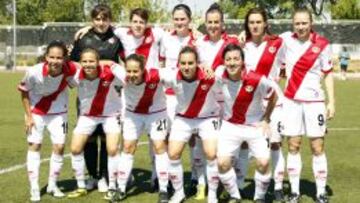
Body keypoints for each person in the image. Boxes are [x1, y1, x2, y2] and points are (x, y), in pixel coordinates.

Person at [279, 8, 335, 203]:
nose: (301, 27)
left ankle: (320, 192)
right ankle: (294, 192)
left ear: (311, 23)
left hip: (315, 103)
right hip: (291, 101)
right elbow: (264, 40)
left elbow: (328, 73)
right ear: (292, 24)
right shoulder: (285, 40)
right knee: (293, 145)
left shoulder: (322, 44)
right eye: (297, 23)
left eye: (304, 23)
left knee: (317, 146)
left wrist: (332, 101)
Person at [215, 43, 282, 203]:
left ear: (242, 61)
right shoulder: (219, 74)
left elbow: (274, 95)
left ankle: (259, 197)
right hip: (230, 126)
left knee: (264, 163)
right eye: (228, 59)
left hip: (255, 125)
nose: (232, 63)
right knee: (222, 163)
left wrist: (266, 119)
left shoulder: (257, 79)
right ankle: (234, 195)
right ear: (223, 62)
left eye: (236, 59)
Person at [70, 4, 125, 193]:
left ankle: (105, 177)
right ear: (92, 20)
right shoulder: (83, 37)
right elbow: (72, 62)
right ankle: (93, 176)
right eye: (97, 19)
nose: (101, 22)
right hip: (87, 96)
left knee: (106, 137)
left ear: (110, 19)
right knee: (90, 139)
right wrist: (101, 63)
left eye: (104, 18)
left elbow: (125, 59)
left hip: (110, 94)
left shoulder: (117, 37)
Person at [18, 40, 77, 202]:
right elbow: (23, 92)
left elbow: (76, 81)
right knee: (35, 146)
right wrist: (29, 117)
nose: (55, 61)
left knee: (59, 147)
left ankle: (52, 185)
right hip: (36, 113)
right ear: (46, 57)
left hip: (59, 113)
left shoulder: (70, 69)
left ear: (64, 59)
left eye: (59, 58)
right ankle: (35, 188)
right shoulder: (34, 72)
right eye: (52, 57)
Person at [164, 46, 220, 203]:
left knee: (211, 153)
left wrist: (209, 67)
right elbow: (148, 72)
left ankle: (213, 194)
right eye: (183, 63)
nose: (186, 67)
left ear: (197, 63)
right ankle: (179, 192)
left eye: (190, 63)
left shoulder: (209, 75)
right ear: (178, 64)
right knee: (173, 153)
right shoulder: (171, 76)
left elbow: (227, 72)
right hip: (183, 118)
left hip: (208, 117)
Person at [241, 7, 286, 201]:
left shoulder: (278, 43)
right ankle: (240, 184)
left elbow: (285, 68)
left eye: (258, 22)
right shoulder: (242, 45)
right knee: (243, 144)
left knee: (275, 144)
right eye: (251, 22)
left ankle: (277, 187)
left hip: (273, 103)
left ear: (265, 23)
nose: (255, 26)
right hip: (248, 104)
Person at [159, 3, 203, 195]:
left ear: (189, 20)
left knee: (194, 138)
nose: (179, 22)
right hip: (169, 96)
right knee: (168, 138)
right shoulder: (165, 38)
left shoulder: (198, 41)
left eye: (182, 19)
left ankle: (195, 177)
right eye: (176, 19)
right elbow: (161, 63)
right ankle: (170, 179)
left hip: (190, 96)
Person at [67, 49, 122, 200]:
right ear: (81, 63)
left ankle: (112, 186)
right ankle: (81, 186)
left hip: (110, 116)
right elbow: (68, 81)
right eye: (84, 61)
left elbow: (129, 79)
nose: (88, 64)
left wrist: (114, 65)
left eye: (91, 61)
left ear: (98, 62)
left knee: (112, 149)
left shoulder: (110, 73)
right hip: (88, 117)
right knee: (75, 148)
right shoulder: (78, 76)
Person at [114, 54, 169, 203]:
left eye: (135, 71)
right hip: (133, 115)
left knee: (159, 147)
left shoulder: (157, 74)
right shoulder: (120, 74)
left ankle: (163, 189)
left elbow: (179, 71)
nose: (131, 75)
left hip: (157, 114)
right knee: (128, 147)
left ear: (143, 69)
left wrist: (204, 67)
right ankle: (121, 188)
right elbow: (107, 64)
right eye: (129, 71)